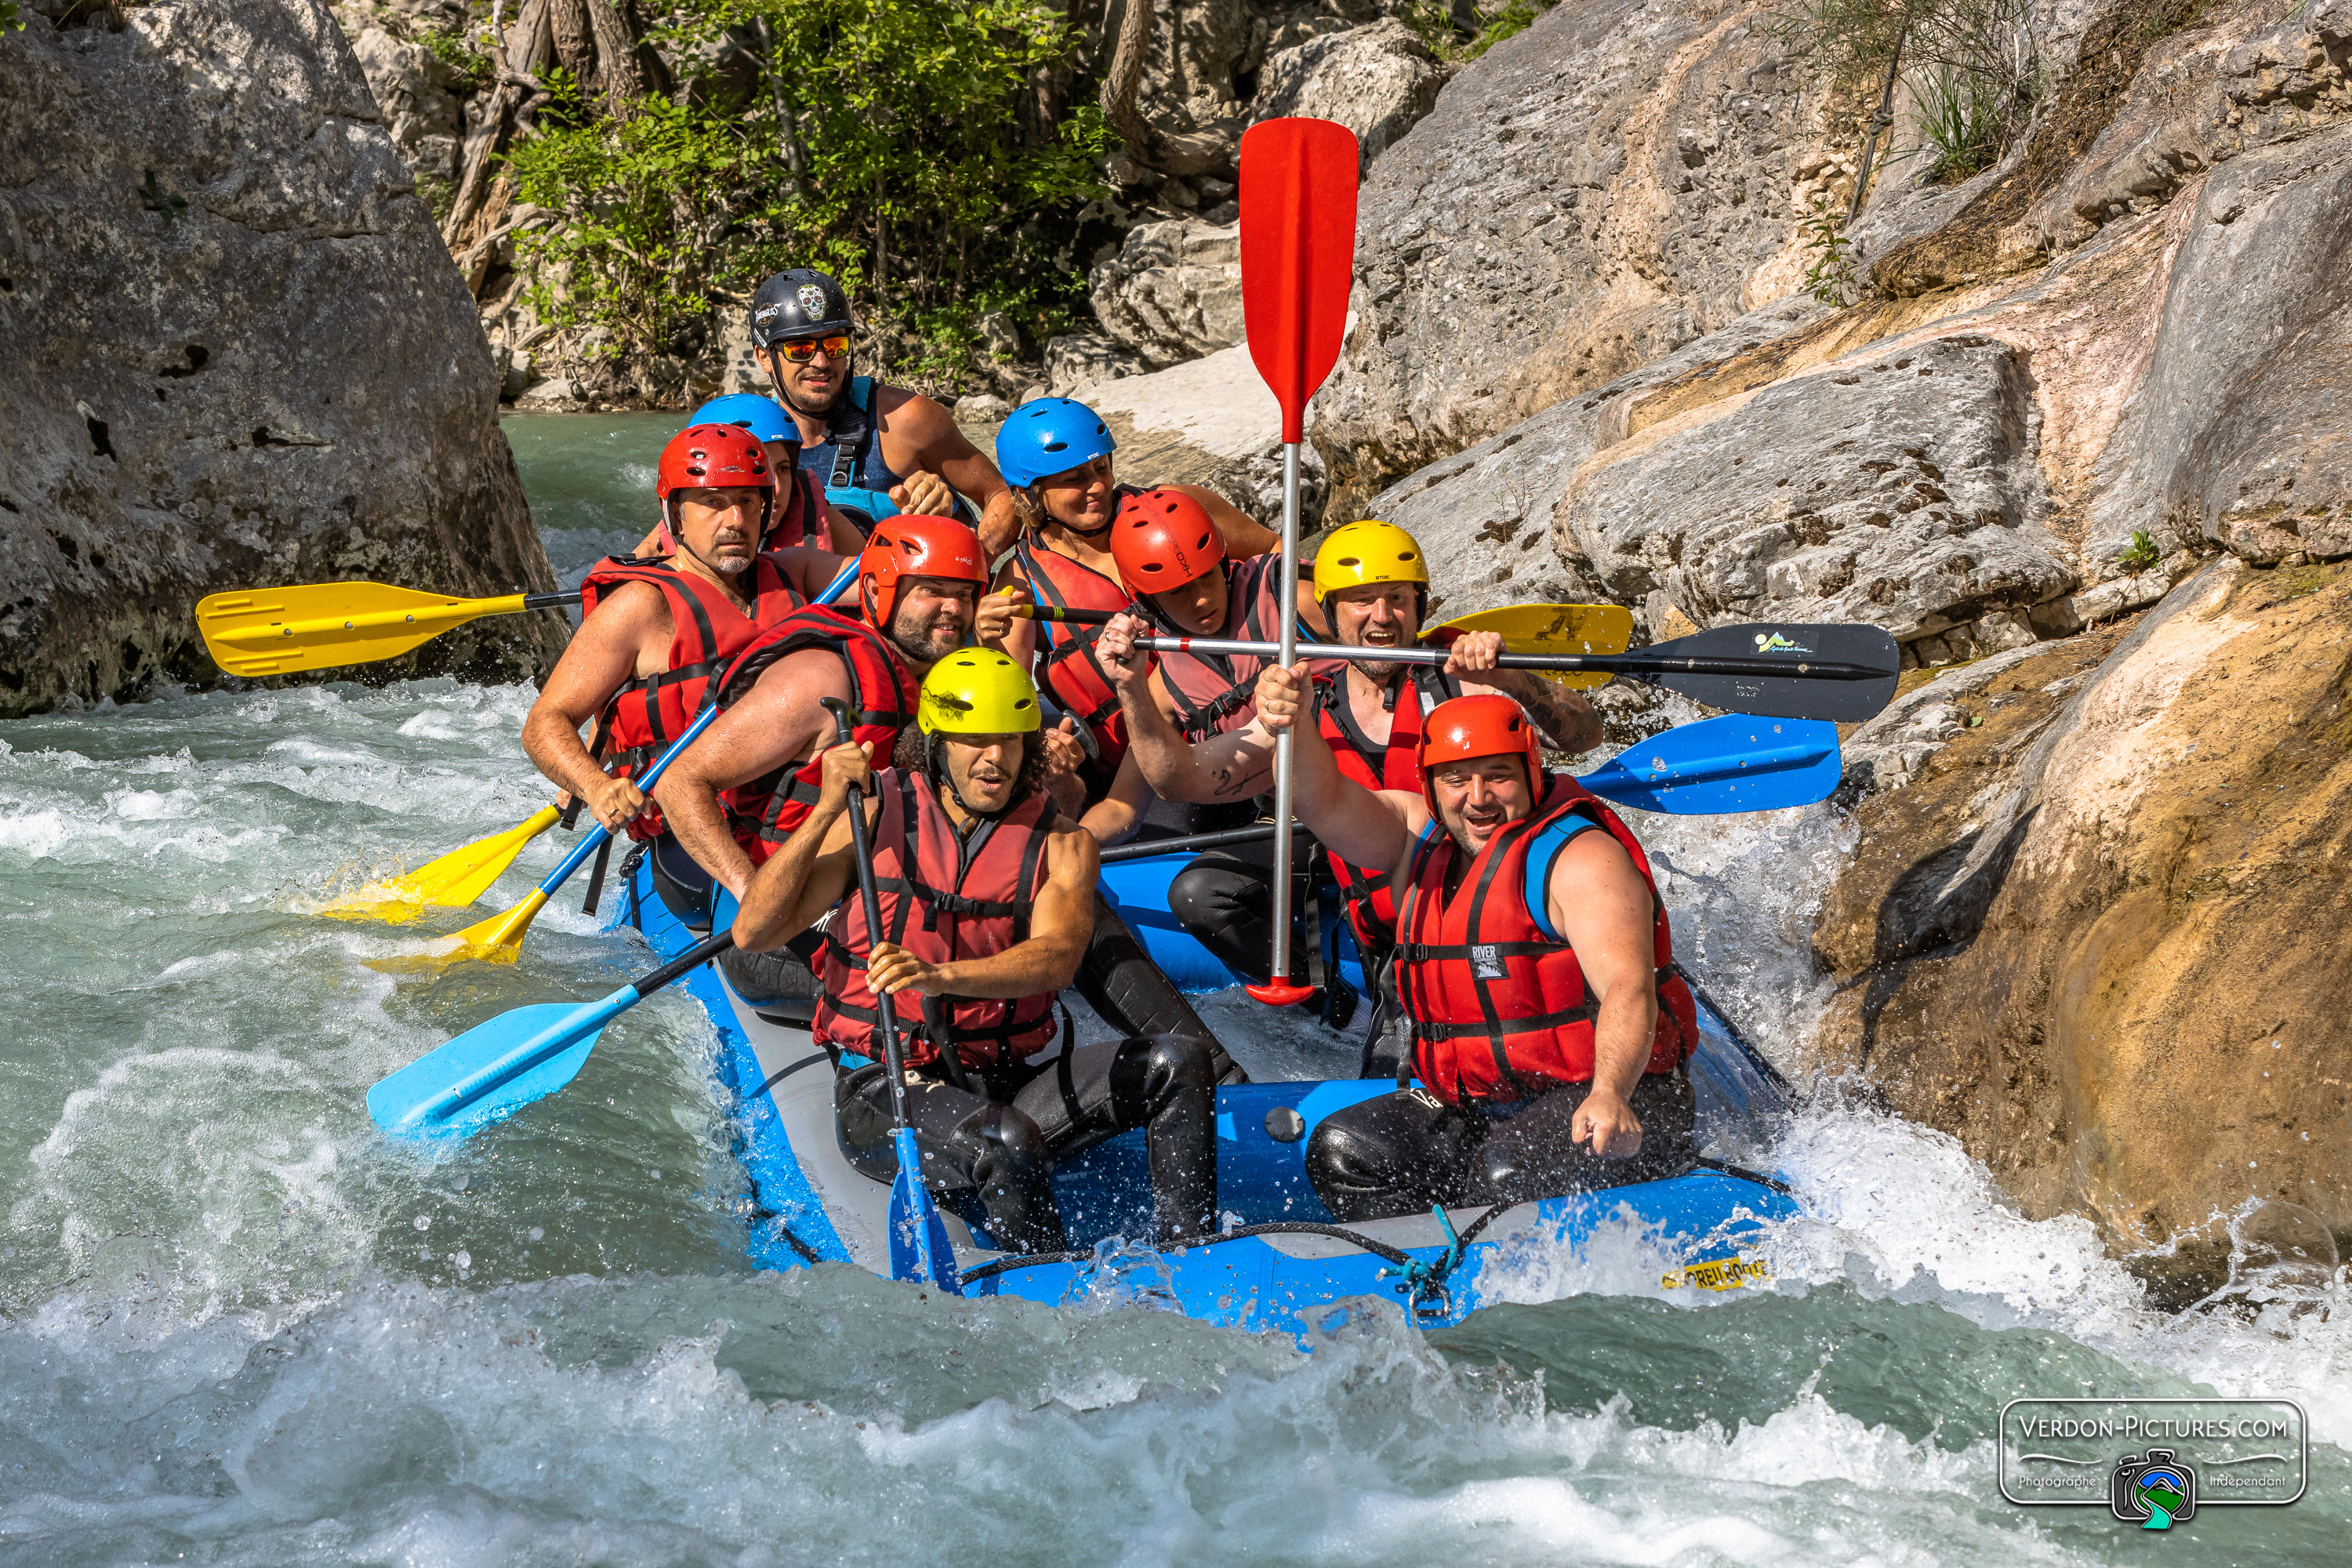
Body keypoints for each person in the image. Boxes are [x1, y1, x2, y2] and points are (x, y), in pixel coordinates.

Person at [729, 649, 1231, 1252]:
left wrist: (941, 975)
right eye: (974, 740)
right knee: (1005, 1142)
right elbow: (753, 932)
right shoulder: (872, 812)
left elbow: (1057, 957)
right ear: (936, 744)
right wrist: (824, 813)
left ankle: (1192, 1250)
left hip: (1007, 1080)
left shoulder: (1062, 842)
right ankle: (1047, 1279)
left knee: (1177, 1060)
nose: (994, 757)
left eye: (1009, 740)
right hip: (887, 1086)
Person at [1247, 677, 1700, 1221]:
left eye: (1498, 776)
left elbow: (1628, 988)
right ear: (1431, 785)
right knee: (1344, 1150)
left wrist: (1610, 1093)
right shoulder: (1413, 838)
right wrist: (1293, 723)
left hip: (1619, 1094)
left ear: (1532, 774)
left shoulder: (1582, 860)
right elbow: (1322, 799)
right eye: (1457, 779)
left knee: (1505, 1174)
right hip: (1486, 1102)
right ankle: (1427, 1263)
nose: (1479, 798)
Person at [521, 425, 848, 903]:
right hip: (696, 838)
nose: (736, 520)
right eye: (714, 503)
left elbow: (886, 586)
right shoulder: (640, 606)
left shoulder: (796, 572)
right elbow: (544, 723)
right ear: (675, 514)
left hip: (798, 809)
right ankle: (755, 909)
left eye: (749, 501)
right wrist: (596, 787)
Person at [1300, 520, 1602, 967]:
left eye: (1398, 599)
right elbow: (1203, 776)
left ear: (1419, 605)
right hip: (1388, 946)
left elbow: (1586, 736)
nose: (1382, 616)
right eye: (1362, 600)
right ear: (1330, 611)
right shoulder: (1307, 707)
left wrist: (1512, 679)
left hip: (1492, 922)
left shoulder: (1460, 682)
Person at [989, 398, 1279, 805]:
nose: (1097, 487)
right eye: (1074, 479)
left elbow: (1277, 555)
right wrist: (988, 640)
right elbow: (1004, 704)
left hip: (1250, 731)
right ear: (1030, 494)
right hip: (1144, 774)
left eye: (1101, 468)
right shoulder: (1019, 583)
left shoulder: (1177, 509)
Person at [748, 269, 1013, 547]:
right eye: (800, 349)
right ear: (764, 357)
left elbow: (1002, 495)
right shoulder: (748, 440)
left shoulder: (907, 418)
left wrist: (975, 562)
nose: (822, 362)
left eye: (835, 345)